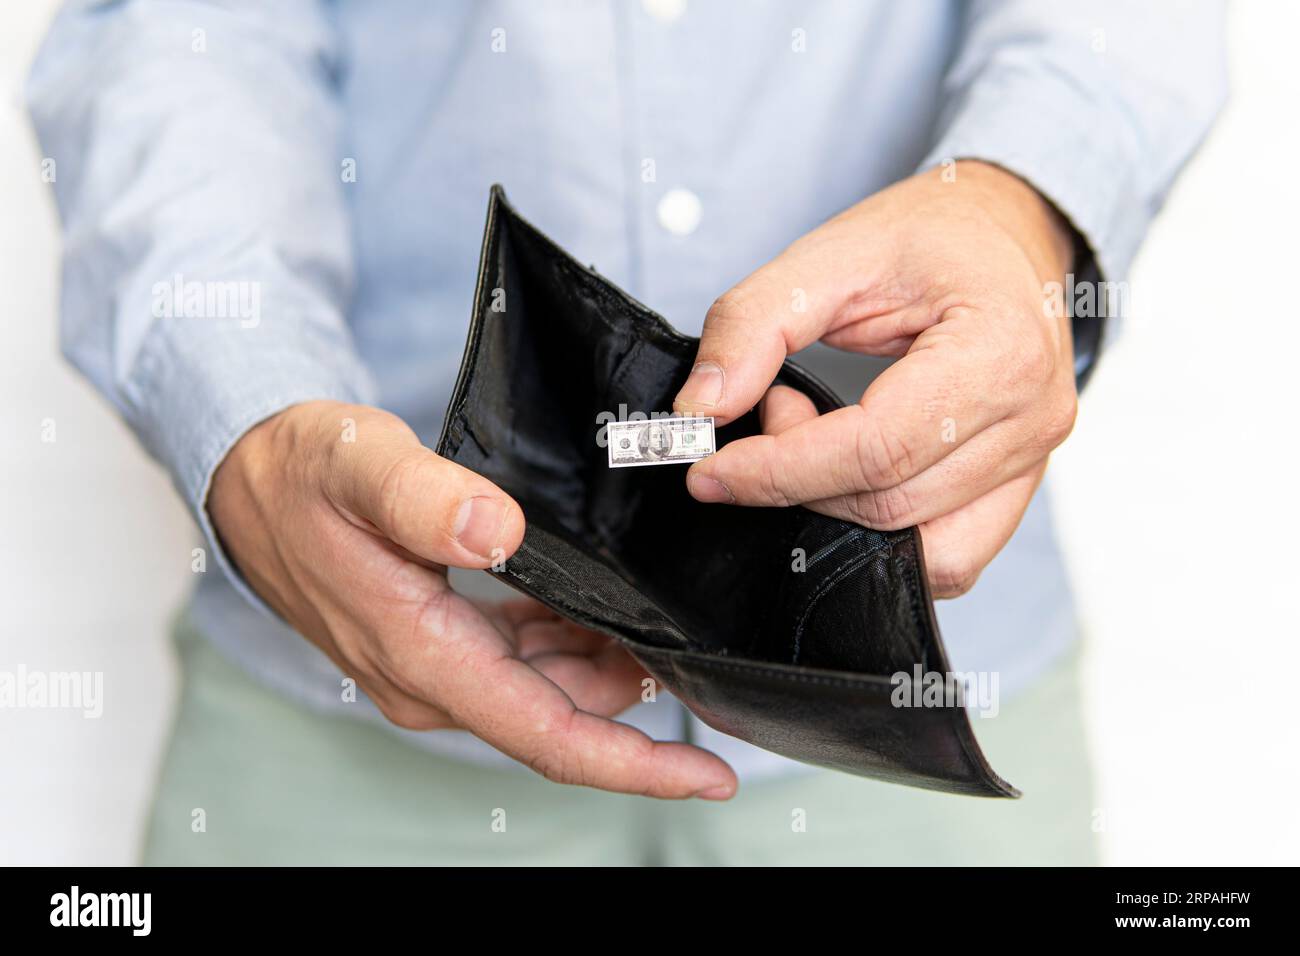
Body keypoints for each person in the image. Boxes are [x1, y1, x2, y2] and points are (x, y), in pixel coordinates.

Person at [27, 0, 1224, 864]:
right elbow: (178, 35)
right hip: (333, 700)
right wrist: (244, 410)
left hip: (923, 708)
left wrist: (1020, 207)